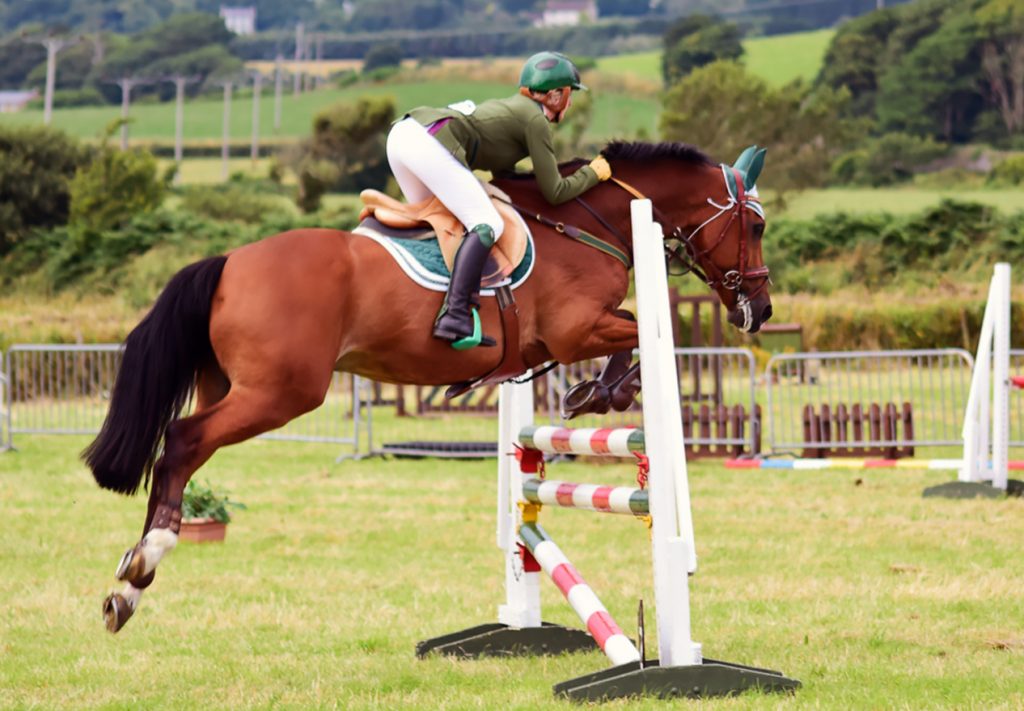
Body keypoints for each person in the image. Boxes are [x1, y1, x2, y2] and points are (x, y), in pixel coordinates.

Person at [386, 51, 612, 349]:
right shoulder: (535, 120)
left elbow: (505, 176)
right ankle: (455, 315)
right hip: (429, 142)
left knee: (442, 225)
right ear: (556, 96)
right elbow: (555, 192)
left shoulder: (516, 109)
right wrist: (593, 173)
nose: (570, 103)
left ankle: (419, 303)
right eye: (569, 94)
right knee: (487, 223)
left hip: (404, 135)